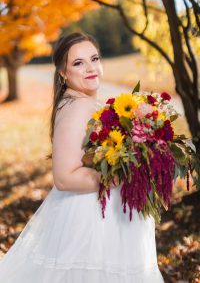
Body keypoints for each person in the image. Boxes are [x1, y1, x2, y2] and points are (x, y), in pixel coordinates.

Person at [0, 32, 165, 282]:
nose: (91, 68)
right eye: (78, 63)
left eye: (94, 58)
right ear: (63, 73)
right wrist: (123, 176)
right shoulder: (77, 107)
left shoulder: (83, 102)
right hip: (92, 223)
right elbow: (64, 178)